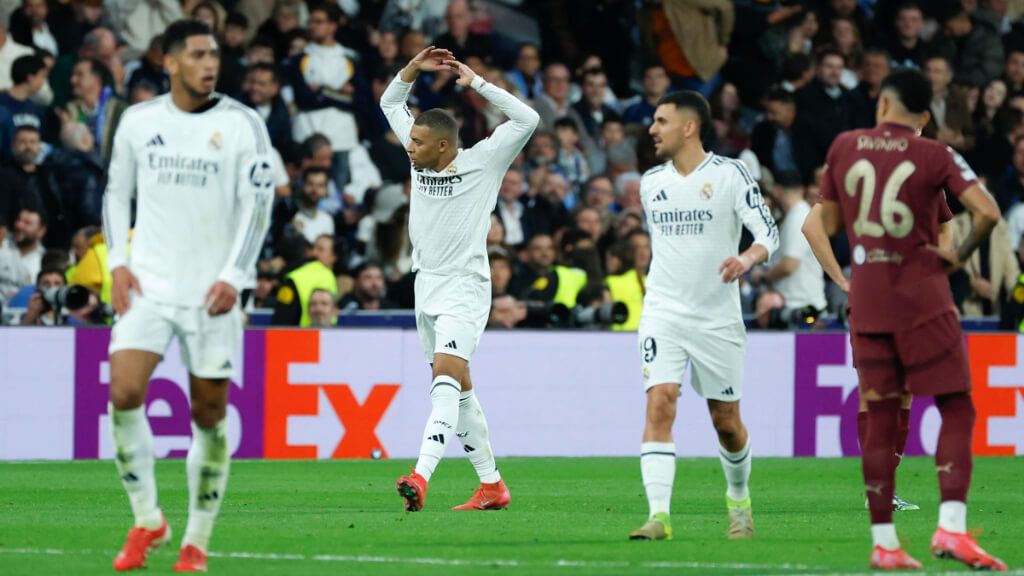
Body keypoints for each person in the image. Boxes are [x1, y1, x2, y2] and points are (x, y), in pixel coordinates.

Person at [802, 68, 1006, 570]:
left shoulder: (845, 148)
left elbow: (821, 222)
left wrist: (845, 277)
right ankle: (952, 529)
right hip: (921, 298)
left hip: (868, 298)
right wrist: (956, 261)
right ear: (925, 115)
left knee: (879, 406)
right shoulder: (934, 155)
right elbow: (987, 213)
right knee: (956, 405)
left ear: (881, 105)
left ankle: (885, 543)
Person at [102, 20, 274, 573]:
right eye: (198, 54)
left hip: (210, 293)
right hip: (149, 285)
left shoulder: (243, 124)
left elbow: (258, 206)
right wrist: (118, 263)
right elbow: (116, 194)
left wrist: (234, 276)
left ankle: (196, 540)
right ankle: (147, 519)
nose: (210, 63)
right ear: (169, 61)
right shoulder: (138, 121)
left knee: (208, 413)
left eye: (214, 54)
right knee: (124, 391)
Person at [380, 46, 539, 512]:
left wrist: (478, 83)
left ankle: (420, 475)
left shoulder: (484, 161)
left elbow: (527, 119)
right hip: (426, 284)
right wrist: (412, 69)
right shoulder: (418, 156)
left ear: (444, 146)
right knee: (461, 389)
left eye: (417, 142)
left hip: (465, 287)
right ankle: (492, 485)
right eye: (410, 140)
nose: (409, 147)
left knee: (444, 381)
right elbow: (390, 102)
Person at [629, 91, 778, 542]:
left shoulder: (730, 174)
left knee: (726, 423)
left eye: (661, 121)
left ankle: (739, 501)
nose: (652, 129)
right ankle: (658, 516)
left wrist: (746, 259)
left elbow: (768, 233)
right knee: (660, 401)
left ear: (689, 127)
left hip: (716, 319)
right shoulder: (651, 182)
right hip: (663, 312)